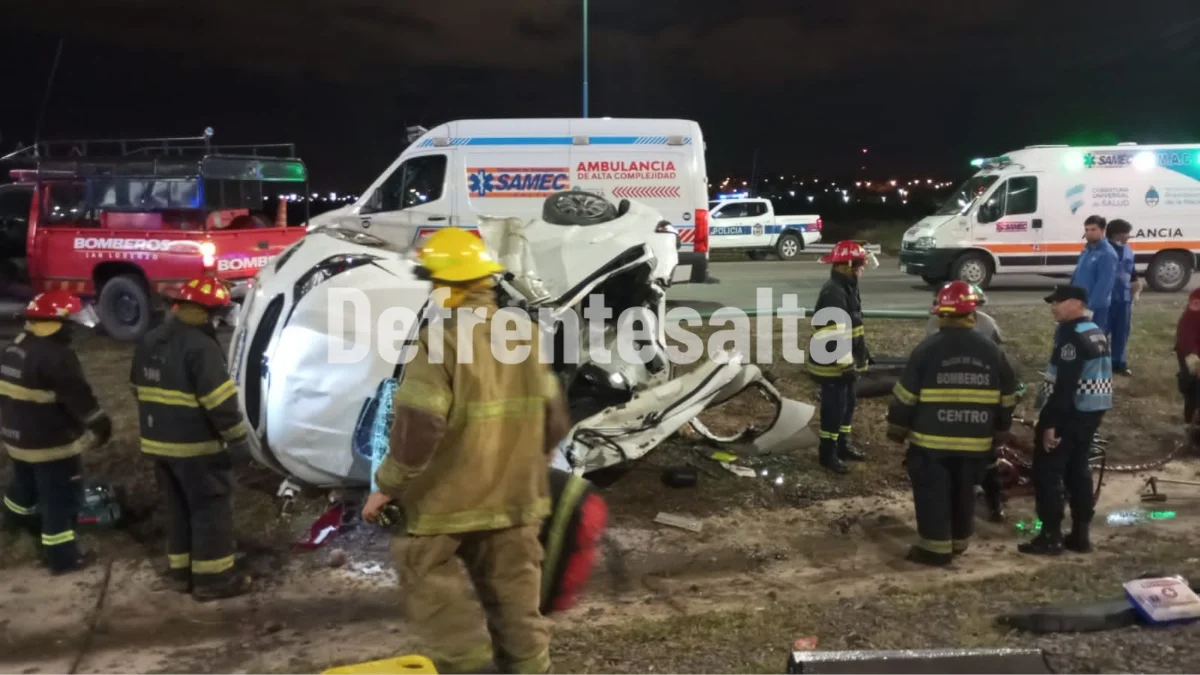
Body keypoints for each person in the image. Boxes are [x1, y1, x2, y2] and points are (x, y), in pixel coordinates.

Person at [361, 227, 572, 675]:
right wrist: (537, 459)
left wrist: (386, 487)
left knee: (430, 585)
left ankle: (471, 669)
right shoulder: (526, 337)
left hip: (445, 503)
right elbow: (554, 418)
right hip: (516, 500)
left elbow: (420, 426)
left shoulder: (440, 342)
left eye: (434, 281)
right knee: (517, 604)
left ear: (448, 285)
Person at [130, 276, 253, 600]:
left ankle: (181, 574)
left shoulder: (151, 339)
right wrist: (238, 440)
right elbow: (220, 403)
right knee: (209, 510)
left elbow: (136, 388)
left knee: (178, 509)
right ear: (207, 311)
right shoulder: (201, 346)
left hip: (157, 443)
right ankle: (214, 581)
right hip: (196, 447)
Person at [887, 281, 1018, 566]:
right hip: (975, 443)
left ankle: (935, 550)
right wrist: (999, 431)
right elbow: (1008, 396)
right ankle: (959, 542)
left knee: (933, 494)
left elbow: (905, 397)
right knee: (964, 492)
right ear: (972, 313)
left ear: (942, 314)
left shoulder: (928, 349)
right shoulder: (991, 350)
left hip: (930, 442)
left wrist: (896, 430)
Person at [0, 291, 112, 575]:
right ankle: (63, 558)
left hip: (17, 439)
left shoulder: (16, 346)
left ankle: (12, 525)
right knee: (60, 500)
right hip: (51, 445)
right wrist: (100, 425)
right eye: (69, 323)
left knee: (24, 484)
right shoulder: (58, 357)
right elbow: (80, 399)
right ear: (56, 323)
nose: (73, 329)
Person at [1019, 284, 1112, 556]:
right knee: (1079, 470)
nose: (1054, 306)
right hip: (1091, 413)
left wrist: (1050, 424)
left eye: (1059, 302)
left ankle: (1050, 537)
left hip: (1068, 413)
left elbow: (1065, 386)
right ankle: (1080, 535)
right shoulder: (1095, 331)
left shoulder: (1071, 336)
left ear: (1076, 303)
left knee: (1048, 473)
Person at [806, 240, 872, 474]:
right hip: (834, 366)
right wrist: (845, 363)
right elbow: (831, 334)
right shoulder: (834, 292)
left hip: (846, 364)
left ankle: (842, 446)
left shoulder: (847, 286)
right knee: (833, 410)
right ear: (846, 266)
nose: (862, 269)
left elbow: (853, 327)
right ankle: (828, 454)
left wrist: (862, 354)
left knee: (847, 406)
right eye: (859, 265)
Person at [1069, 215, 1118, 331]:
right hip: (1078, 304)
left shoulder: (1107, 254)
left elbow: (1104, 285)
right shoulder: (1087, 250)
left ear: (1102, 231)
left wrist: (1090, 308)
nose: (1089, 233)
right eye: (1087, 230)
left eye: (1093, 230)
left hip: (1095, 309)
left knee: (1093, 341)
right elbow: (1077, 274)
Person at [1105, 219, 1141, 376]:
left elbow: (1132, 274)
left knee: (1122, 332)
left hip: (1124, 299)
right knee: (1101, 333)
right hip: (1105, 299)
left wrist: (1135, 291)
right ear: (1117, 233)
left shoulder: (1128, 251)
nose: (1129, 236)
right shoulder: (1102, 250)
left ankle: (1118, 363)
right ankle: (1099, 363)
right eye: (1126, 233)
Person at [1174, 288, 1200, 431]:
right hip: (1191, 353)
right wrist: (1197, 365)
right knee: (1193, 387)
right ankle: (1192, 425)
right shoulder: (1197, 299)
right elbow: (1186, 339)